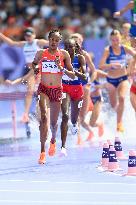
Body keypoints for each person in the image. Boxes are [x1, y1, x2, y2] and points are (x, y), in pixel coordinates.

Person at [32, 29, 75, 164]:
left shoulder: (64, 54)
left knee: (53, 123)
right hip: (43, 89)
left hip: (57, 90)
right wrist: (35, 68)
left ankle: (53, 141)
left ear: (59, 42)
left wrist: (61, 68)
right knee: (44, 117)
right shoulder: (41, 53)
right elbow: (33, 64)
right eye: (52, 40)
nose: (54, 42)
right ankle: (42, 152)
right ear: (48, 40)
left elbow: (72, 75)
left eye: (57, 40)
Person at [0, 27, 49, 123]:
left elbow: (52, 43)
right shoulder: (24, 44)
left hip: (39, 69)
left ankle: (42, 113)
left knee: (41, 92)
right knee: (30, 91)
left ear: (34, 35)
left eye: (30, 36)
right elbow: (11, 43)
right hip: (30, 69)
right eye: (26, 36)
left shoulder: (38, 42)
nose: (28, 38)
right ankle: (26, 114)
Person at [99, 29, 136, 132]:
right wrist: (111, 65)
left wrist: (131, 65)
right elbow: (101, 66)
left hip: (123, 78)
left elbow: (135, 55)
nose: (116, 42)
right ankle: (117, 118)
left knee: (122, 98)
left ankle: (119, 124)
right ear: (110, 40)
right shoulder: (108, 50)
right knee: (113, 105)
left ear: (120, 39)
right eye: (113, 40)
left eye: (117, 40)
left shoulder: (125, 48)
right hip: (111, 80)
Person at [60, 38, 86, 156]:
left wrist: (72, 72)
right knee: (65, 115)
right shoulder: (62, 58)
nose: (68, 49)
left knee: (73, 118)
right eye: (66, 47)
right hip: (65, 88)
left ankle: (74, 124)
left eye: (70, 47)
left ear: (75, 47)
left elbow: (84, 76)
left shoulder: (80, 58)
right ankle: (63, 146)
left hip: (77, 89)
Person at [70, 33, 96, 143]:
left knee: (81, 116)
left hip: (85, 88)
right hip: (73, 87)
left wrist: (90, 82)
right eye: (74, 42)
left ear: (81, 42)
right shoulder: (67, 55)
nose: (76, 44)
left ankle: (84, 135)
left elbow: (94, 71)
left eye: (78, 41)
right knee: (75, 116)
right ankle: (83, 136)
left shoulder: (85, 55)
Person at [86, 70, 108, 142]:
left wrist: (100, 86)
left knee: (92, 123)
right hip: (88, 101)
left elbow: (111, 77)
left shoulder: (95, 73)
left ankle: (100, 124)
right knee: (80, 119)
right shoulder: (80, 74)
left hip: (97, 100)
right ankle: (89, 133)